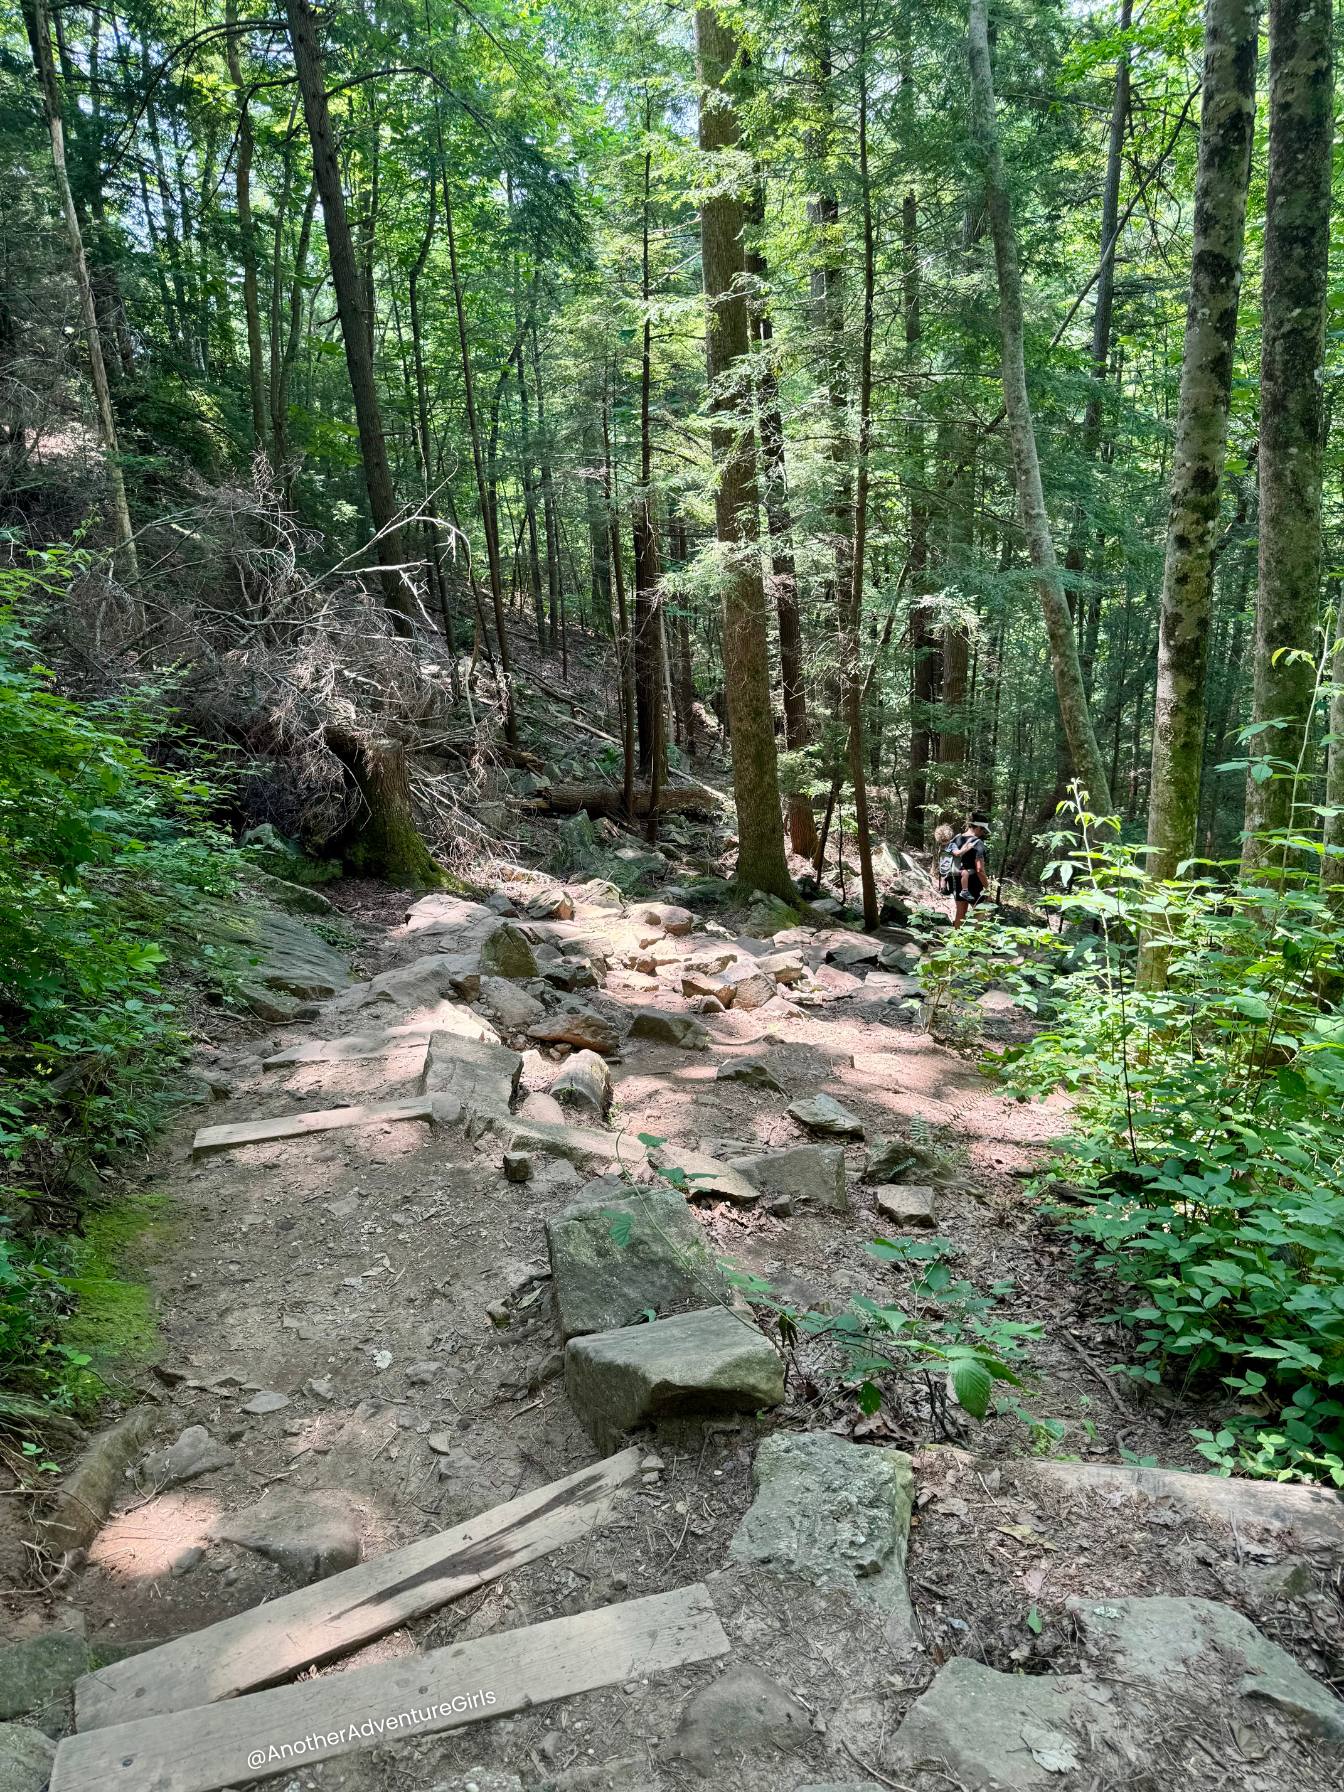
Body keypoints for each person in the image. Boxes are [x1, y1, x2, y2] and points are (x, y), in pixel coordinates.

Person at [938, 813, 991, 927]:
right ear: (977, 827)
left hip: (956, 880)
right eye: (983, 830)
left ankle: (956, 941)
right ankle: (973, 940)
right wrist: (987, 889)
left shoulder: (956, 839)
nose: (983, 833)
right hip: (972, 882)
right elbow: (980, 869)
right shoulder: (978, 843)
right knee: (980, 911)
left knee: (960, 913)